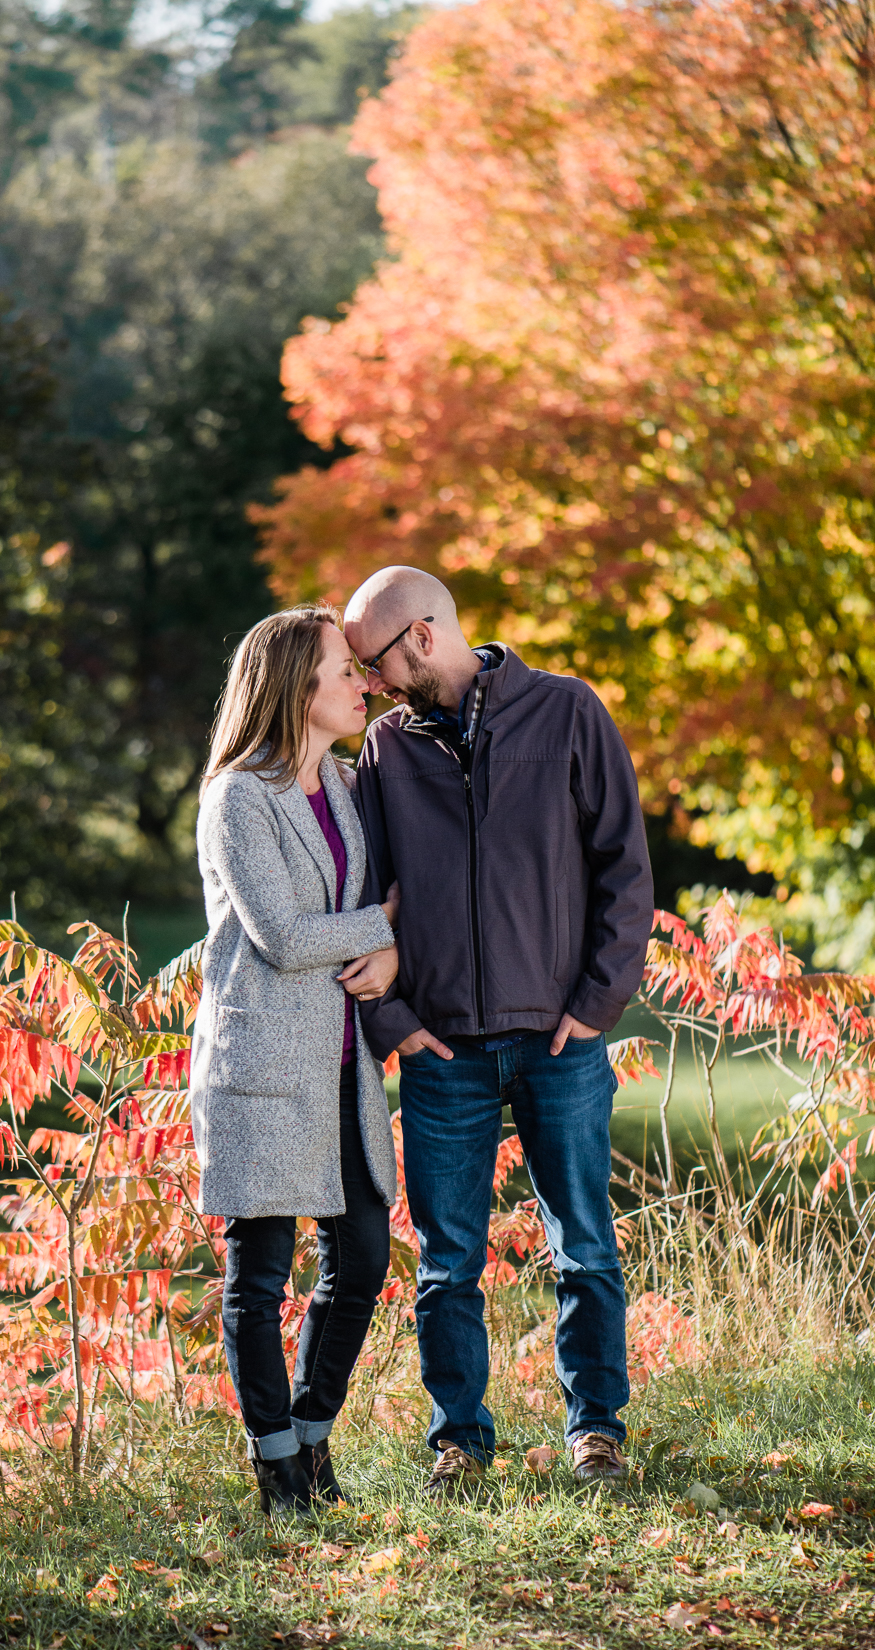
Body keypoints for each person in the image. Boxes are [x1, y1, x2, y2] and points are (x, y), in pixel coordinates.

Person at [344, 566, 654, 1496]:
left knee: (585, 1246)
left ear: (425, 636)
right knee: (446, 1265)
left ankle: (596, 1430)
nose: (375, 687)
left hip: (561, 1044)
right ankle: (459, 1443)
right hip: (445, 1054)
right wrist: (395, 1025)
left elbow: (625, 875)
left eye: (380, 663)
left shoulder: (567, 714)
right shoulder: (387, 752)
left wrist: (595, 1006)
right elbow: (362, 902)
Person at [190, 603, 401, 1517]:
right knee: (260, 1271)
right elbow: (278, 934)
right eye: (345, 669)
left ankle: (312, 1433)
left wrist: (384, 952)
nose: (364, 683)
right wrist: (385, 926)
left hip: (346, 1066)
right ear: (294, 686)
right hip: (265, 1064)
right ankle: (277, 1466)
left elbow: (353, 919)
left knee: (360, 1260)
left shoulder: (348, 785)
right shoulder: (238, 795)